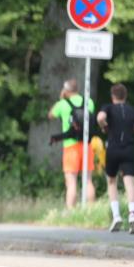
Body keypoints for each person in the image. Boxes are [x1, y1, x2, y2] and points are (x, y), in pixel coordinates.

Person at [97, 83, 134, 234]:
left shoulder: (108, 107)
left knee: (112, 181)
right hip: (128, 150)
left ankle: (116, 216)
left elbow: (100, 117)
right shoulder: (133, 110)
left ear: (112, 96)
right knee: (130, 183)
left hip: (113, 150)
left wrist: (104, 126)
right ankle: (132, 216)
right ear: (125, 96)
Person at [48, 78, 96, 208]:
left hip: (70, 146)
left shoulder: (63, 104)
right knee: (88, 180)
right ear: (77, 89)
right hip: (87, 145)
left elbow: (51, 115)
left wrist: (61, 98)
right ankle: (91, 211)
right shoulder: (88, 102)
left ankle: (71, 213)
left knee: (71, 181)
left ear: (66, 90)